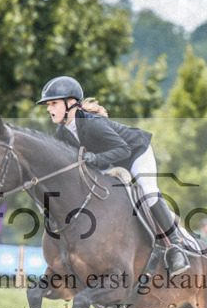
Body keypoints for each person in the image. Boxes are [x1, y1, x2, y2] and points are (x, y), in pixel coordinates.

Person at [37, 75, 190, 275]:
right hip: (106, 161)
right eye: (48, 104)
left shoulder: (92, 123)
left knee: (149, 192)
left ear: (71, 103)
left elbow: (124, 150)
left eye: (54, 103)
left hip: (135, 153)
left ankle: (175, 248)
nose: (49, 109)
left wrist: (97, 159)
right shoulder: (62, 132)